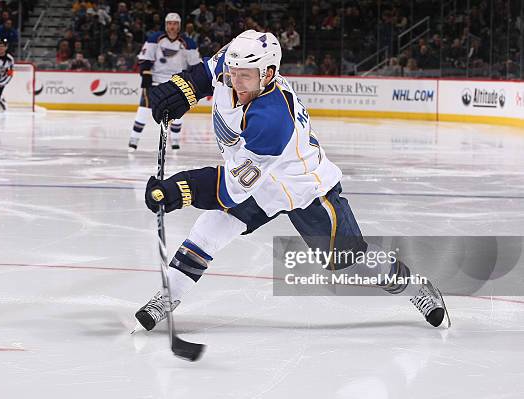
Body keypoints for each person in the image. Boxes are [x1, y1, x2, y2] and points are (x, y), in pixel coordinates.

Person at [133, 30, 450, 332]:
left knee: (349, 262)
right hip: (258, 181)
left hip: (302, 188)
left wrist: (179, 189)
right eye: (233, 73)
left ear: (268, 74)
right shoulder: (236, 59)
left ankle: (416, 285)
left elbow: (231, 189)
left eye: (245, 76)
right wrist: (178, 91)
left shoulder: (272, 120)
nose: (235, 82)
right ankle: (169, 294)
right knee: (208, 230)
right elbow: (204, 75)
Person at [127, 12, 201, 151]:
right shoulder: (155, 39)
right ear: (166, 25)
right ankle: (134, 139)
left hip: (177, 82)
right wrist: (146, 76)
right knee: (144, 109)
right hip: (155, 80)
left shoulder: (188, 43)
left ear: (179, 26)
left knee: (179, 110)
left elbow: (195, 65)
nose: (172, 27)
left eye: (175, 24)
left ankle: (175, 142)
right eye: (169, 24)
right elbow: (145, 59)